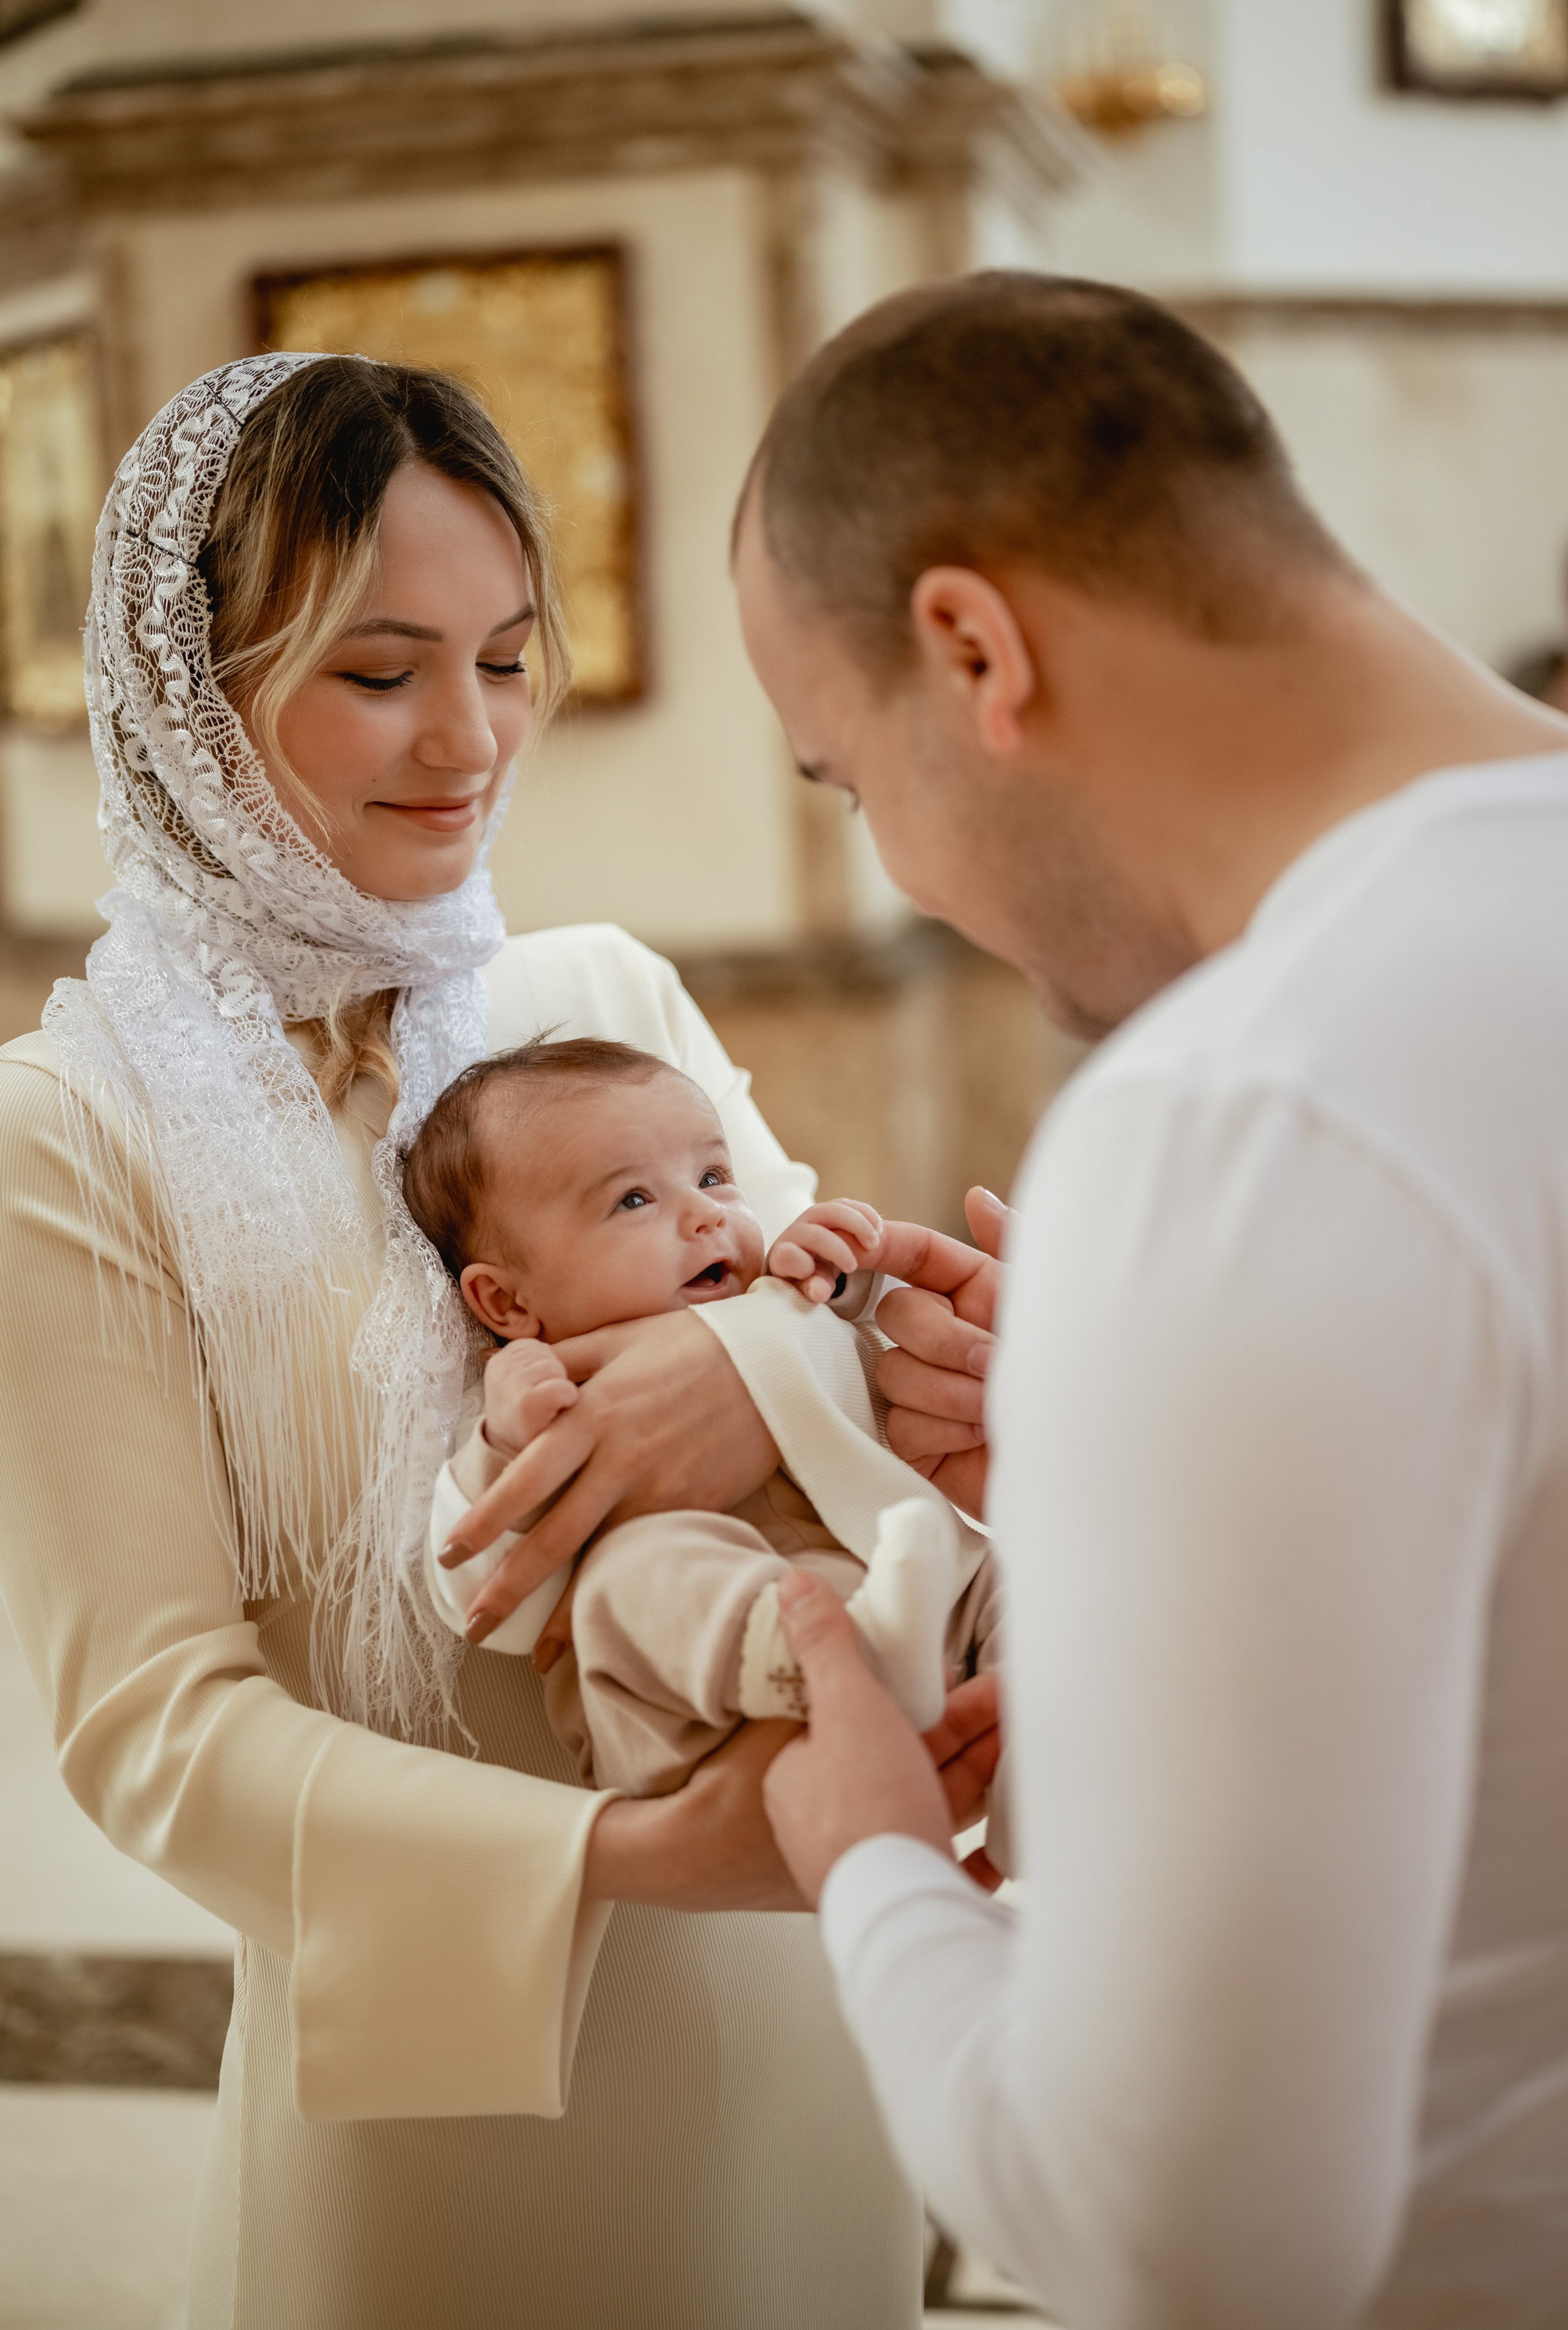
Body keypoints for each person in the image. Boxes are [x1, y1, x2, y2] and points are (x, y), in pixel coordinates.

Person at [0, 353, 995, 2329]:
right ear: (190, 694)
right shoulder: (66, 1128)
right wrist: (631, 1853)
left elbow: (804, 1353)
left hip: (808, 1953)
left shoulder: (596, 988)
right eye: (379, 670)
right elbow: (153, 1726)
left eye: (511, 657)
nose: (468, 737)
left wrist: (869, 1363)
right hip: (464, 2043)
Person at [729, 272, 1568, 2329]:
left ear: (973, 648)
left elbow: (1190, 2234)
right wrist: (1164, 1478)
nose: (908, 871)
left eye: (847, 779)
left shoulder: (1240, 1119)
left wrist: (872, 1859)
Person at [402, 1031, 1001, 1796]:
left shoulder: (777, 1303)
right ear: (510, 1301)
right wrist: (503, 1444)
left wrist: (846, 1279)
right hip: (707, 1721)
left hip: (922, 1604)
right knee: (632, 1577)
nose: (704, 1216)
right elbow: (484, 1603)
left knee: (1013, 1580)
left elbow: (888, 1383)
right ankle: (836, 1661)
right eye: (633, 1199)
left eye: (714, 1176)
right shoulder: (541, 1393)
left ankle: (1034, 1751)